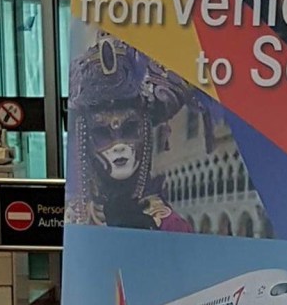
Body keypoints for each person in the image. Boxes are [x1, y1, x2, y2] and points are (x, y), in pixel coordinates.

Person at [67, 35, 202, 231]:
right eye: (102, 133)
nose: (119, 145)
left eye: (130, 129)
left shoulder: (170, 225)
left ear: (145, 132)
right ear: (85, 138)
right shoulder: (74, 222)